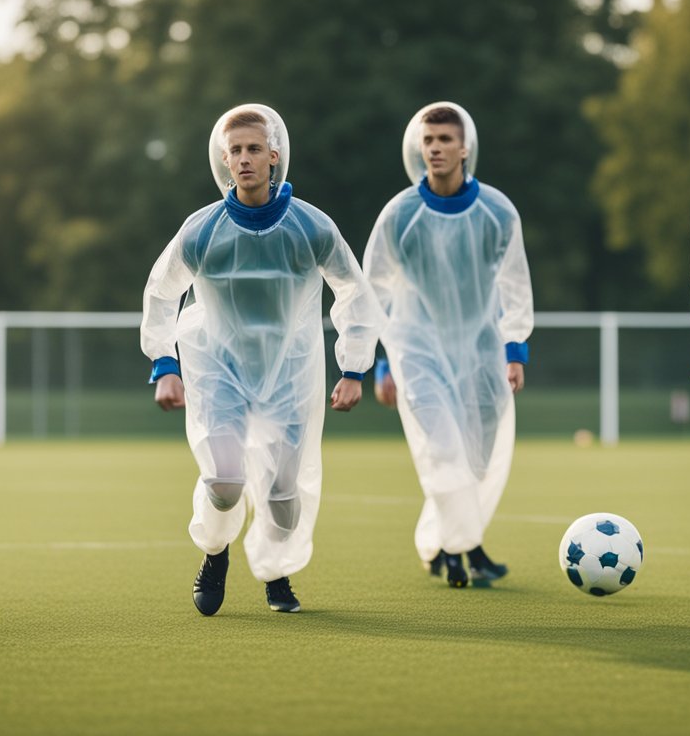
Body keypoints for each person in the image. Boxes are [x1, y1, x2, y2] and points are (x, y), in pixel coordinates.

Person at [141, 104, 382, 616]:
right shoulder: (202, 230)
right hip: (217, 371)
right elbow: (161, 294)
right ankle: (215, 553)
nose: (245, 159)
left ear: (274, 156)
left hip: (290, 378)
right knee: (225, 485)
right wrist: (165, 364)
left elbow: (354, 294)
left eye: (254, 149)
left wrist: (355, 367)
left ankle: (277, 572)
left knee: (282, 499)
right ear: (224, 161)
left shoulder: (312, 227)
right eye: (236, 151)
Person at [363, 102, 534, 589]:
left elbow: (515, 285)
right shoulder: (400, 215)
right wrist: (379, 362)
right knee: (441, 451)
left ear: (464, 148)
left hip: (481, 352)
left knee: (476, 460)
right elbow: (375, 289)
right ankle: (463, 552)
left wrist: (514, 349)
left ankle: (445, 544)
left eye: (444, 140)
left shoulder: (497, 211)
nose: (435, 148)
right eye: (428, 140)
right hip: (415, 351)